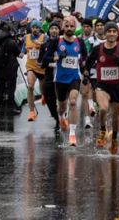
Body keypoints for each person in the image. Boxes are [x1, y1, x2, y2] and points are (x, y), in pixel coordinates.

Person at [84, 22, 119, 155]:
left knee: (115, 117)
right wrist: (85, 74)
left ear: (117, 34)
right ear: (105, 33)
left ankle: (114, 139)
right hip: (102, 86)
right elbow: (87, 64)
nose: (111, 33)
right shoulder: (98, 49)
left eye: (114, 31)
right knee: (103, 108)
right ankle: (102, 130)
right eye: (109, 31)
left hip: (118, 86)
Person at [54, 16, 87, 146]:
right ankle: (62, 117)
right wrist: (57, 57)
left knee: (73, 102)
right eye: (66, 26)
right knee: (62, 106)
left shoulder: (79, 42)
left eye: (71, 26)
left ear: (75, 28)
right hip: (60, 79)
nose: (69, 28)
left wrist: (84, 68)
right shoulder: (57, 41)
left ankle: (72, 134)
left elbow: (85, 56)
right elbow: (46, 57)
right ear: (63, 27)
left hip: (74, 77)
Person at [0, 21, 21, 115]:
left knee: (1, 87)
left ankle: (1, 107)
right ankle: (11, 108)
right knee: (11, 88)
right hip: (11, 67)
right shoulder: (11, 42)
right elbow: (18, 53)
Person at [20, 19, 47, 121]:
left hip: (42, 67)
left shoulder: (44, 37)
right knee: (30, 86)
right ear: (31, 28)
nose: (35, 29)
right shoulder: (26, 37)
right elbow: (24, 46)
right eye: (33, 27)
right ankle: (31, 112)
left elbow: (48, 47)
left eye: (37, 27)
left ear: (40, 28)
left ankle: (44, 95)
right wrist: (22, 52)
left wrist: (40, 44)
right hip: (31, 66)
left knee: (42, 87)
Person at [39, 21, 62, 132]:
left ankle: (62, 117)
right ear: (49, 31)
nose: (54, 30)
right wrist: (52, 60)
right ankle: (56, 117)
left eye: (56, 28)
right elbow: (42, 62)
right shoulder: (44, 45)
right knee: (49, 97)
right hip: (49, 74)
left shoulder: (63, 44)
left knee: (62, 98)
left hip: (62, 74)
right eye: (52, 28)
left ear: (59, 30)